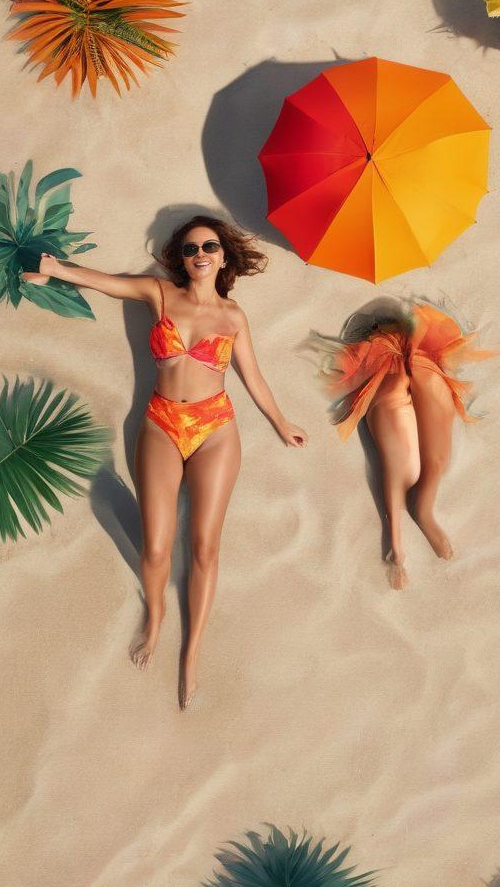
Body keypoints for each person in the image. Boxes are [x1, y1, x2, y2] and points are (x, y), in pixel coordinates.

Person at [22, 216, 307, 708]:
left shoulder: (233, 317)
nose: (200, 253)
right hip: (161, 423)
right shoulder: (159, 294)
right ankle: (154, 615)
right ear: (182, 256)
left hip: (216, 429)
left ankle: (192, 652)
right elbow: (109, 284)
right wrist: (55, 270)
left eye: (210, 246)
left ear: (222, 257)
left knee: (204, 549)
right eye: (192, 246)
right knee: (155, 548)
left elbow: (253, 376)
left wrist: (281, 422)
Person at [315, 299, 494, 590]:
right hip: (399, 387)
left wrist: (395, 541)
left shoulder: (400, 371)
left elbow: (395, 465)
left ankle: (420, 512)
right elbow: (394, 465)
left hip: (401, 382)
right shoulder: (393, 377)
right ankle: (418, 515)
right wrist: (395, 541)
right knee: (407, 414)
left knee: (413, 399)